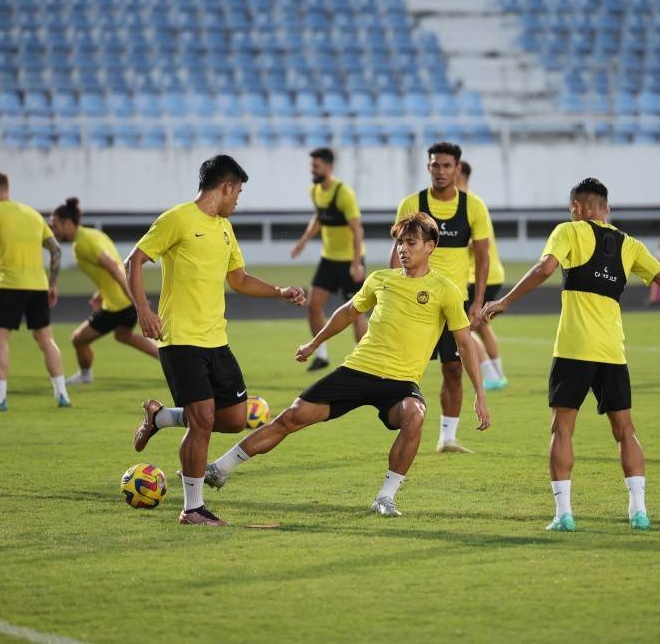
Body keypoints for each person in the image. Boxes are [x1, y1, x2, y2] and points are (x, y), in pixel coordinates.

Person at [202, 212, 491, 517]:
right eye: (400, 242)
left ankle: (385, 497)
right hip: (357, 371)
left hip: (400, 383)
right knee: (290, 418)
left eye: (411, 242)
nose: (403, 249)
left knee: (415, 415)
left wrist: (480, 396)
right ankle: (220, 468)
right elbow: (347, 313)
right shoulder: (381, 279)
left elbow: (465, 343)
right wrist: (314, 344)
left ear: (430, 246)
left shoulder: (445, 289)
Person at [482, 178, 660, 532]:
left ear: (577, 208)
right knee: (625, 430)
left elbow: (545, 269)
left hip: (573, 350)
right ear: (606, 209)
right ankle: (638, 511)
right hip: (612, 352)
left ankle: (564, 515)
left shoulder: (568, 231)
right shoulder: (629, 244)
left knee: (562, 430)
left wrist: (504, 301)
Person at [126, 154, 306, 526]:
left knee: (235, 419)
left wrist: (279, 291)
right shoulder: (177, 218)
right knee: (203, 420)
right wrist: (144, 310)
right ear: (225, 187)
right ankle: (192, 508)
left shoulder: (224, 227)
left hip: (216, 340)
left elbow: (238, 279)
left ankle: (159, 418)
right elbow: (134, 260)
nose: (238, 199)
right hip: (180, 340)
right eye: (237, 192)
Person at [390, 142, 492, 453]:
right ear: (428, 167)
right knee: (403, 369)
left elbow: (484, 257)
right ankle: (401, 421)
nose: (441, 171)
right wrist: (393, 293)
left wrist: (477, 302)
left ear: (457, 169)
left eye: (447, 166)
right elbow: (398, 251)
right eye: (435, 165)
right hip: (415, 300)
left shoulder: (473, 206)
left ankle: (447, 437)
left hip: (453, 302)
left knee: (453, 369)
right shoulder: (412, 203)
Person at [0, 173, 69, 410]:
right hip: (39, 286)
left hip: (11, 285)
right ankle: (62, 394)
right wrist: (52, 284)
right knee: (46, 339)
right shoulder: (33, 214)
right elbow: (56, 251)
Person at [48, 197, 158, 383]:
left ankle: (85, 375)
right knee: (123, 335)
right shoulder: (93, 235)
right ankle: (170, 359)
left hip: (118, 305)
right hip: (124, 301)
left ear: (67, 223)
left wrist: (136, 301)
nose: (52, 230)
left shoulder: (83, 243)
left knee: (78, 339)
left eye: (55, 225)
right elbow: (109, 269)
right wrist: (102, 294)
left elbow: (113, 266)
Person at [290, 147, 367, 371]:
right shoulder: (315, 190)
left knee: (356, 311)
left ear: (329, 167)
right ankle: (321, 355)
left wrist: (356, 263)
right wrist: (303, 241)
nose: (312, 170)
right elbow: (319, 218)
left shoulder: (344, 193)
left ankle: (362, 360)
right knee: (313, 306)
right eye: (311, 166)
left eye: (316, 166)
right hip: (329, 260)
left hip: (349, 261)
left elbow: (357, 229)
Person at [459, 160, 509, 391]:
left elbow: (474, 244)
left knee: (462, 326)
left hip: (477, 275)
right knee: (482, 326)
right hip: (493, 273)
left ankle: (489, 375)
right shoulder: (475, 202)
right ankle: (499, 374)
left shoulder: (467, 205)